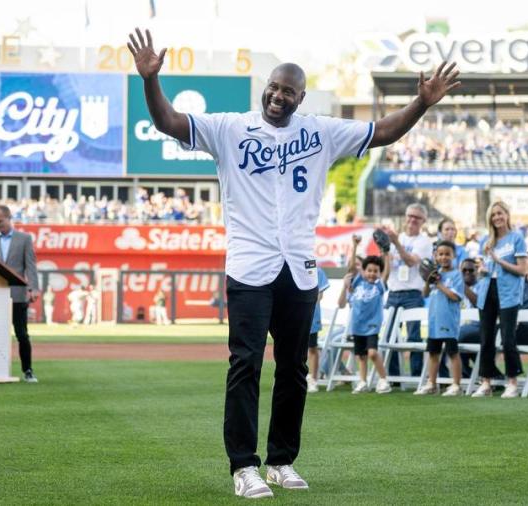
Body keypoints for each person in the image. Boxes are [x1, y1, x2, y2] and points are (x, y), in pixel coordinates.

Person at [128, 27, 459, 498]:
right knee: (244, 364)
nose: (278, 96)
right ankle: (244, 466)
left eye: (289, 91)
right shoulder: (229, 128)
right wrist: (149, 81)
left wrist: (421, 103)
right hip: (249, 264)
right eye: (274, 87)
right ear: (265, 86)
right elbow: (169, 122)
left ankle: (281, 460)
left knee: (294, 369)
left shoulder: (320, 132)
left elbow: (381, 131)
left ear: (301, 98)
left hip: (299, 267)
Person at [472, 201, 528, 398]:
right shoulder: (486, 241)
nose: (497, 218)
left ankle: (512, 382)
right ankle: (485, 382)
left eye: (500, 213)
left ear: (507, 214)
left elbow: (523, 270)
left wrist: (500, 261)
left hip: (508, 293)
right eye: (493, 215)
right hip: (487, 290)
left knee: (507, 338)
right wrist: (482, 270)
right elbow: (483, 268)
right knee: (486, 338)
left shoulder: (516, 238)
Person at [0, 205, 40, 383]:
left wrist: (33, 288)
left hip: (17, 294)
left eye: (0, 221)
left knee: (22, 334)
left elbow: (30, 265)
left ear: (9, 218)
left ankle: (28, 370)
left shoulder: (24, 239)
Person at [381, 203, 434, 379]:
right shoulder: (397, 237)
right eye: (410, 216)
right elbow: (387, 263)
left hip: (412, 293)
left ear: (424, 221)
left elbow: (411, 261)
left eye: (417, 217)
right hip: (394, 291)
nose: (412, 220)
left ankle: (416, 375)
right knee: (389, 336)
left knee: (413, 337)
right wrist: (384, 247)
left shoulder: (424, 242)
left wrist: (395, 242)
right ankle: (394, 376)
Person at [415, 241, 464, 396]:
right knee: (433, 353)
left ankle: (456, 385)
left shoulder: (456, 275)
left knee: (452, 353)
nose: (444, 257)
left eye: (447, 254)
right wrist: (428, 282)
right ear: (435, 256)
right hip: (434, 321)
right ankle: (432, 383)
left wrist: (439, 283)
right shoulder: (435, 273)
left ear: (454, 255)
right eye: (440, 254)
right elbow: (425, 294)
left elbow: (455, 297)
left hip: (448, 320)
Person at [339, 255, 391, 395]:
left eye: (376, 271)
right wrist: (355, 246)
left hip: (372, 325)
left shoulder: (379, 286)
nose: (372, 273)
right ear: (363, 271)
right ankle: (363, 382)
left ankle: (383, 380)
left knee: (372, 353)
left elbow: (386, 272)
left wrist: (386, 255)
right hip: (357, 325)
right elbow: (351, 269)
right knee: (361, 356)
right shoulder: (358, 282)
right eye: (369, 270)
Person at [305, 267, 330, 393]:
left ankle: (313, 379)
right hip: (292, 315)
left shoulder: (317, 271)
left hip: (311, 316)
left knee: (312, 347)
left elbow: (319, 295)